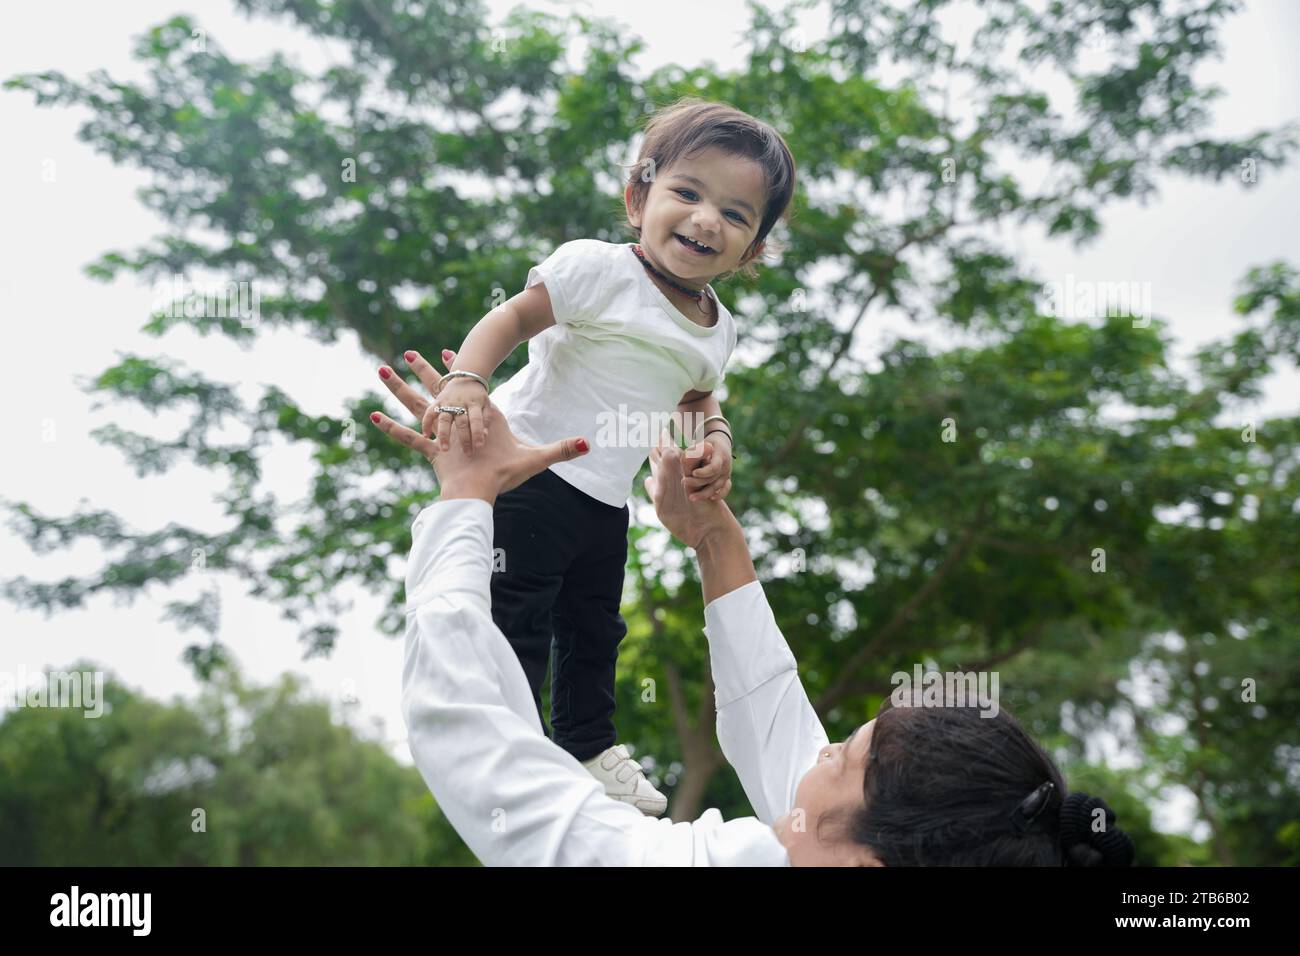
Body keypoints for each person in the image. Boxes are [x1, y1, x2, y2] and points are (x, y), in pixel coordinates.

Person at [369, 351, 1138, 867]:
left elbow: (472, 734)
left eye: (844, 756)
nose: (823, 751)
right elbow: (777, 727)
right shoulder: (835, 846)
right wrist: (712, 537)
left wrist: (466, 496)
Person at [401, 97, 798, 815]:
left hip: (605, 500)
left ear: (754, 248)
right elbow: (513, 318)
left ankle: (587, 745)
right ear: (637, 196)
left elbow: (696, 396)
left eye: (737, 215)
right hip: (531, 471)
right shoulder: (597, 270)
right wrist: (467, 379)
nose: (708, 219)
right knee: (517, 607)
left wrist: (716, 438)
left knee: (594, 627)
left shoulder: (717, 329)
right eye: (687, 193)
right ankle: (508, 735)